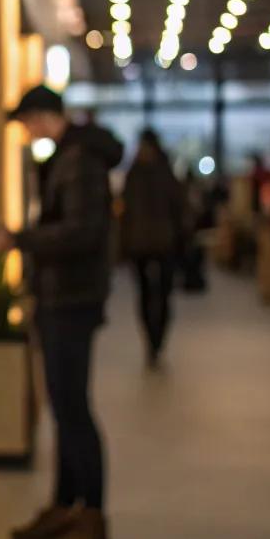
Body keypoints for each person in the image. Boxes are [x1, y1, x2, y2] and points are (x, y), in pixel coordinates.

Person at [0, 85, 122, 539]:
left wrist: (19, 239)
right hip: (63, 298)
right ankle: (67, 506)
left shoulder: (78, 161)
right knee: (63, 408)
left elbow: (82, 233)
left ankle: (92, 516)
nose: (25, 131)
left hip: (72, 301)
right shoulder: (69, 157)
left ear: (43, 117)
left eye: (26, 122)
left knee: (73, 408)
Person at [120, 128, 184, 364]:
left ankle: (156, 341)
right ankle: (153, 341)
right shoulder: (148, 173)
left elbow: (178, 209)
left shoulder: (148, 173)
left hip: (157, 244)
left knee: (158, 295)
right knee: (151, 295)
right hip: (149, 245)